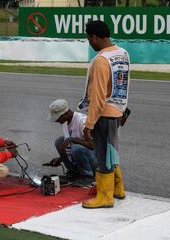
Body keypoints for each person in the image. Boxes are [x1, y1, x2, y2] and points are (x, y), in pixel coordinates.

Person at [78, 20, 130, 208]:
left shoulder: (101, 61)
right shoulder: (122, 53)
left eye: (88, 39)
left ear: (94, 37)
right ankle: (118, 188)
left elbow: (98, 97)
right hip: (118, 110)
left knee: (103, 155)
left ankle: (105, 196)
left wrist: (88, 124)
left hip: (104, 114)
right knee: (112, 151)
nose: (90, 44)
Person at [46, 99, 97, 186]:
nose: (56, 121)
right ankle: (74, 172)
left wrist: (72, 140)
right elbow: (68, 146)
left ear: (65, 114)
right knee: (60, 141)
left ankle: (88, 175)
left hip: (97, 160)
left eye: (57, 118)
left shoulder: (83, 121)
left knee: (76, 148)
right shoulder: (65, 122)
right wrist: (60, 159)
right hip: (83, 153)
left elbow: (94, 145)